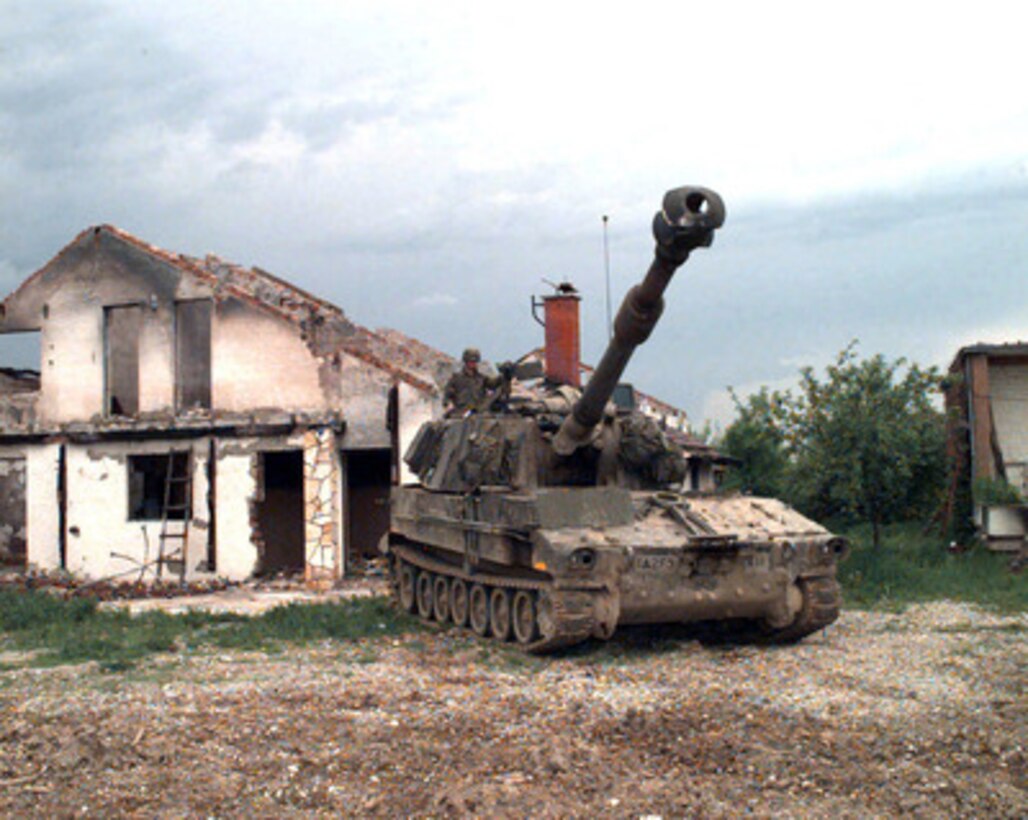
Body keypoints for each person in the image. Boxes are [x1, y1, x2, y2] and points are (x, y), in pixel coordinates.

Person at [444, 348, 510, 415]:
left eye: (475, 361)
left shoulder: (481, 378)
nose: (473, 364)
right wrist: (448, 405)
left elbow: (493, 384)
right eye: (470, 361)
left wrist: (504, 375)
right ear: (466, 361)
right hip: (461, 412)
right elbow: (447, 395)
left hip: (478, 412)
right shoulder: (456, 378)